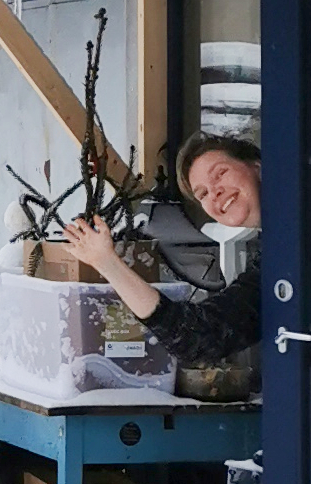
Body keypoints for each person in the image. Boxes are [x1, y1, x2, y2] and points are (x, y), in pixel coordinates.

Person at [59, 133, 262, 366]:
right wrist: (106, 263)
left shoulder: (297, 225)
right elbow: (199, 337)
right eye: (203, 194)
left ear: (257, 167)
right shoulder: (271, 266)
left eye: (221, 173)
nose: (214, 192)